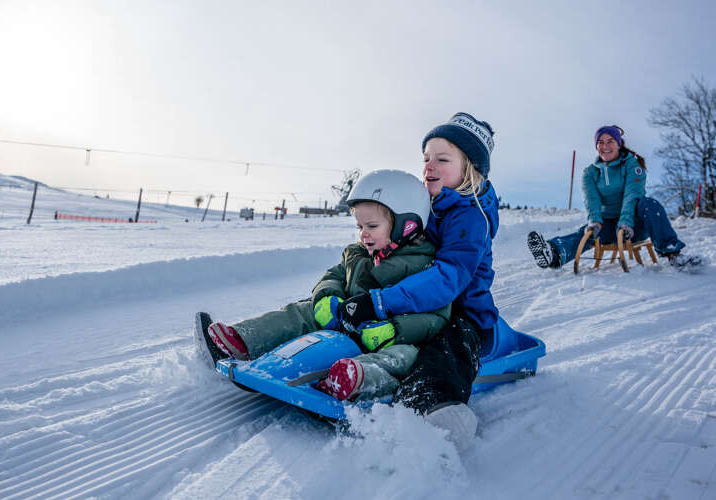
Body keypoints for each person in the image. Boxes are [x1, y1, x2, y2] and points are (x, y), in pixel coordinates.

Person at [194, 169, 451, 401]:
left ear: (406, 225)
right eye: (360, 226)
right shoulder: (357, 253)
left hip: (384, 337)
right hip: (344, 319)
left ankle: (356, 379)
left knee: (405, 357)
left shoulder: (426, 267)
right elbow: (333, 276)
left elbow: (436, 316)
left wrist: (394, 330)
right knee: (302, 311)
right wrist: (327, 297)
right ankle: (244, 340)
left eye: (372, 226)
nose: (363, 233)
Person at [336, 113, 500, 445]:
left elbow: (447, 278)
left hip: (462, 313)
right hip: (421, 304)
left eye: (442, 159)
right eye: (426, 158)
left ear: (470, 169)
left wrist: (382, 302)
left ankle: (432, 404)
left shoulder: (471, 218)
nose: (429, 166)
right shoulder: (427, 204)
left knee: (444, 346)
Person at [528, 125, 703, 271]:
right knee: (586, 232)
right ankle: (553, 252)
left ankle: (673, 253)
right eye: (600, 142)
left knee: (650, 204)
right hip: (609, 225)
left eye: (610, 141)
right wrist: (595, 221)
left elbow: (632, 195)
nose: (605, 146)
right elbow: (592, 200)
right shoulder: (590, 172)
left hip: (635, 225)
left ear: (618, 144)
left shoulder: (632, 165)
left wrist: (626, 222)